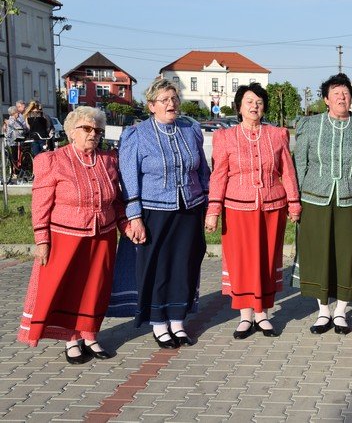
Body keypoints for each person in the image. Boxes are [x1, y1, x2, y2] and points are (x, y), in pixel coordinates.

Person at [17, 107, 128, 364]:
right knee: (70, 288)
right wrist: (42, 240)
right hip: (65, 236)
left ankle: (90, 336)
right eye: (87, 129)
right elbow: (41, 204)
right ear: (71, 132)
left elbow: (116, 200)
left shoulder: (108, 161)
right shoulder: (53, 160)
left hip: (103, 235)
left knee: (95, 288)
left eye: (98, 130)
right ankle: (71, 339)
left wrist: (125, 224)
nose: (93, 134)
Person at [119, 78, 210, 349]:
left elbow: (202, 170)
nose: (171, 104)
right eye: (165, 100)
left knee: (185, 263)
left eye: (174, 98)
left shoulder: (190, 129)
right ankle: (159, 323)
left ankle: (178, 321)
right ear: (151, 105)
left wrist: (208, 204)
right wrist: (134, 216)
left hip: (190, 208)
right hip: (154, 210)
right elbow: (129, 178)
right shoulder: (137, 134)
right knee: (158, 267)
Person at [205, 83, 301, 339]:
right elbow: (219, 175)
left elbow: (287, 172)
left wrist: (294, 202)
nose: (254, 106)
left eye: (259, 102)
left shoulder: (278, 134)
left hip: (272, 206)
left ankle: (263, 315)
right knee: (242, 261)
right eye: (249, 101)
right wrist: (213, 209)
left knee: (267, 259)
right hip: (237, 208)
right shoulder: (225, 137)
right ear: (239, 107)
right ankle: (245, 316)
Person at [294, 73, 352, 335]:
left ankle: (341, 310)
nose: (342, 97)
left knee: (348, 254)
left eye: (346, 93)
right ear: (326, 99)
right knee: (320, 254)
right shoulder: (310, 125)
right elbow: (300, 163)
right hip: (315, 199)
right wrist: (295, 199)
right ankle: (323, 311)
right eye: (336, 93)